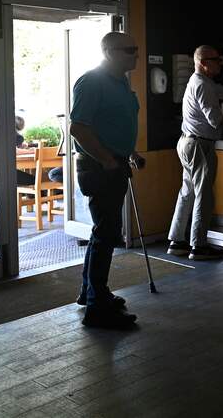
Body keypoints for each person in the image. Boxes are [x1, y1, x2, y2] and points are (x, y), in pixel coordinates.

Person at [70, 31, 144, 329]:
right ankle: (97, 308)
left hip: (114, 163)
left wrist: (130, 152)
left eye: (136, 49)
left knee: (104, 231)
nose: (136, 54)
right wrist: (106, 159)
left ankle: (91, 292)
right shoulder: (92, 82)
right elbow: (79, 128)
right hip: (100, 168)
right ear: (109, 52)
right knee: (107, 233)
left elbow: (114, 124)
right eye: (130, 50)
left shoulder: (121, 82)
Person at [167, 45, 223, 260]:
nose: (220, 62)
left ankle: (177, 241)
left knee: (187, 192)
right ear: (202, 63)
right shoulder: (203, 85)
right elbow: (215, 120)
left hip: (188, 142)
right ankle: (198, 246)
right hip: (200, 145)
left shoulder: (201, 81)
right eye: (216, 59)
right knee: (204, 195)